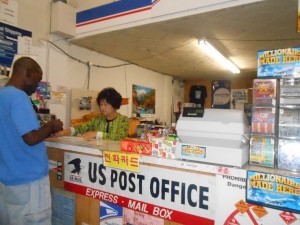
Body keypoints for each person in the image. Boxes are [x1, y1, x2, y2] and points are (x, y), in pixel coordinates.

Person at [0, 57, 63, 225]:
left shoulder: (2, 95)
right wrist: (51, 126)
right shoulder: (19, 97)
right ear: (27, 74)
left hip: (7, 180)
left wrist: (43, 132)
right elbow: (31, 138)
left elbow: (12, 133)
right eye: (36, 81)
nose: (36, 87)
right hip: (29, 181)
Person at [55, 87, 129, 141]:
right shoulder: (97, 119)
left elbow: (120, 137)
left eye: (105, 105)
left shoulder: (123, 120)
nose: (102, 108)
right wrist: (67, 131)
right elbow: (82, 128)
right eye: (101, 104)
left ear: (114, 105)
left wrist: (96, 134)